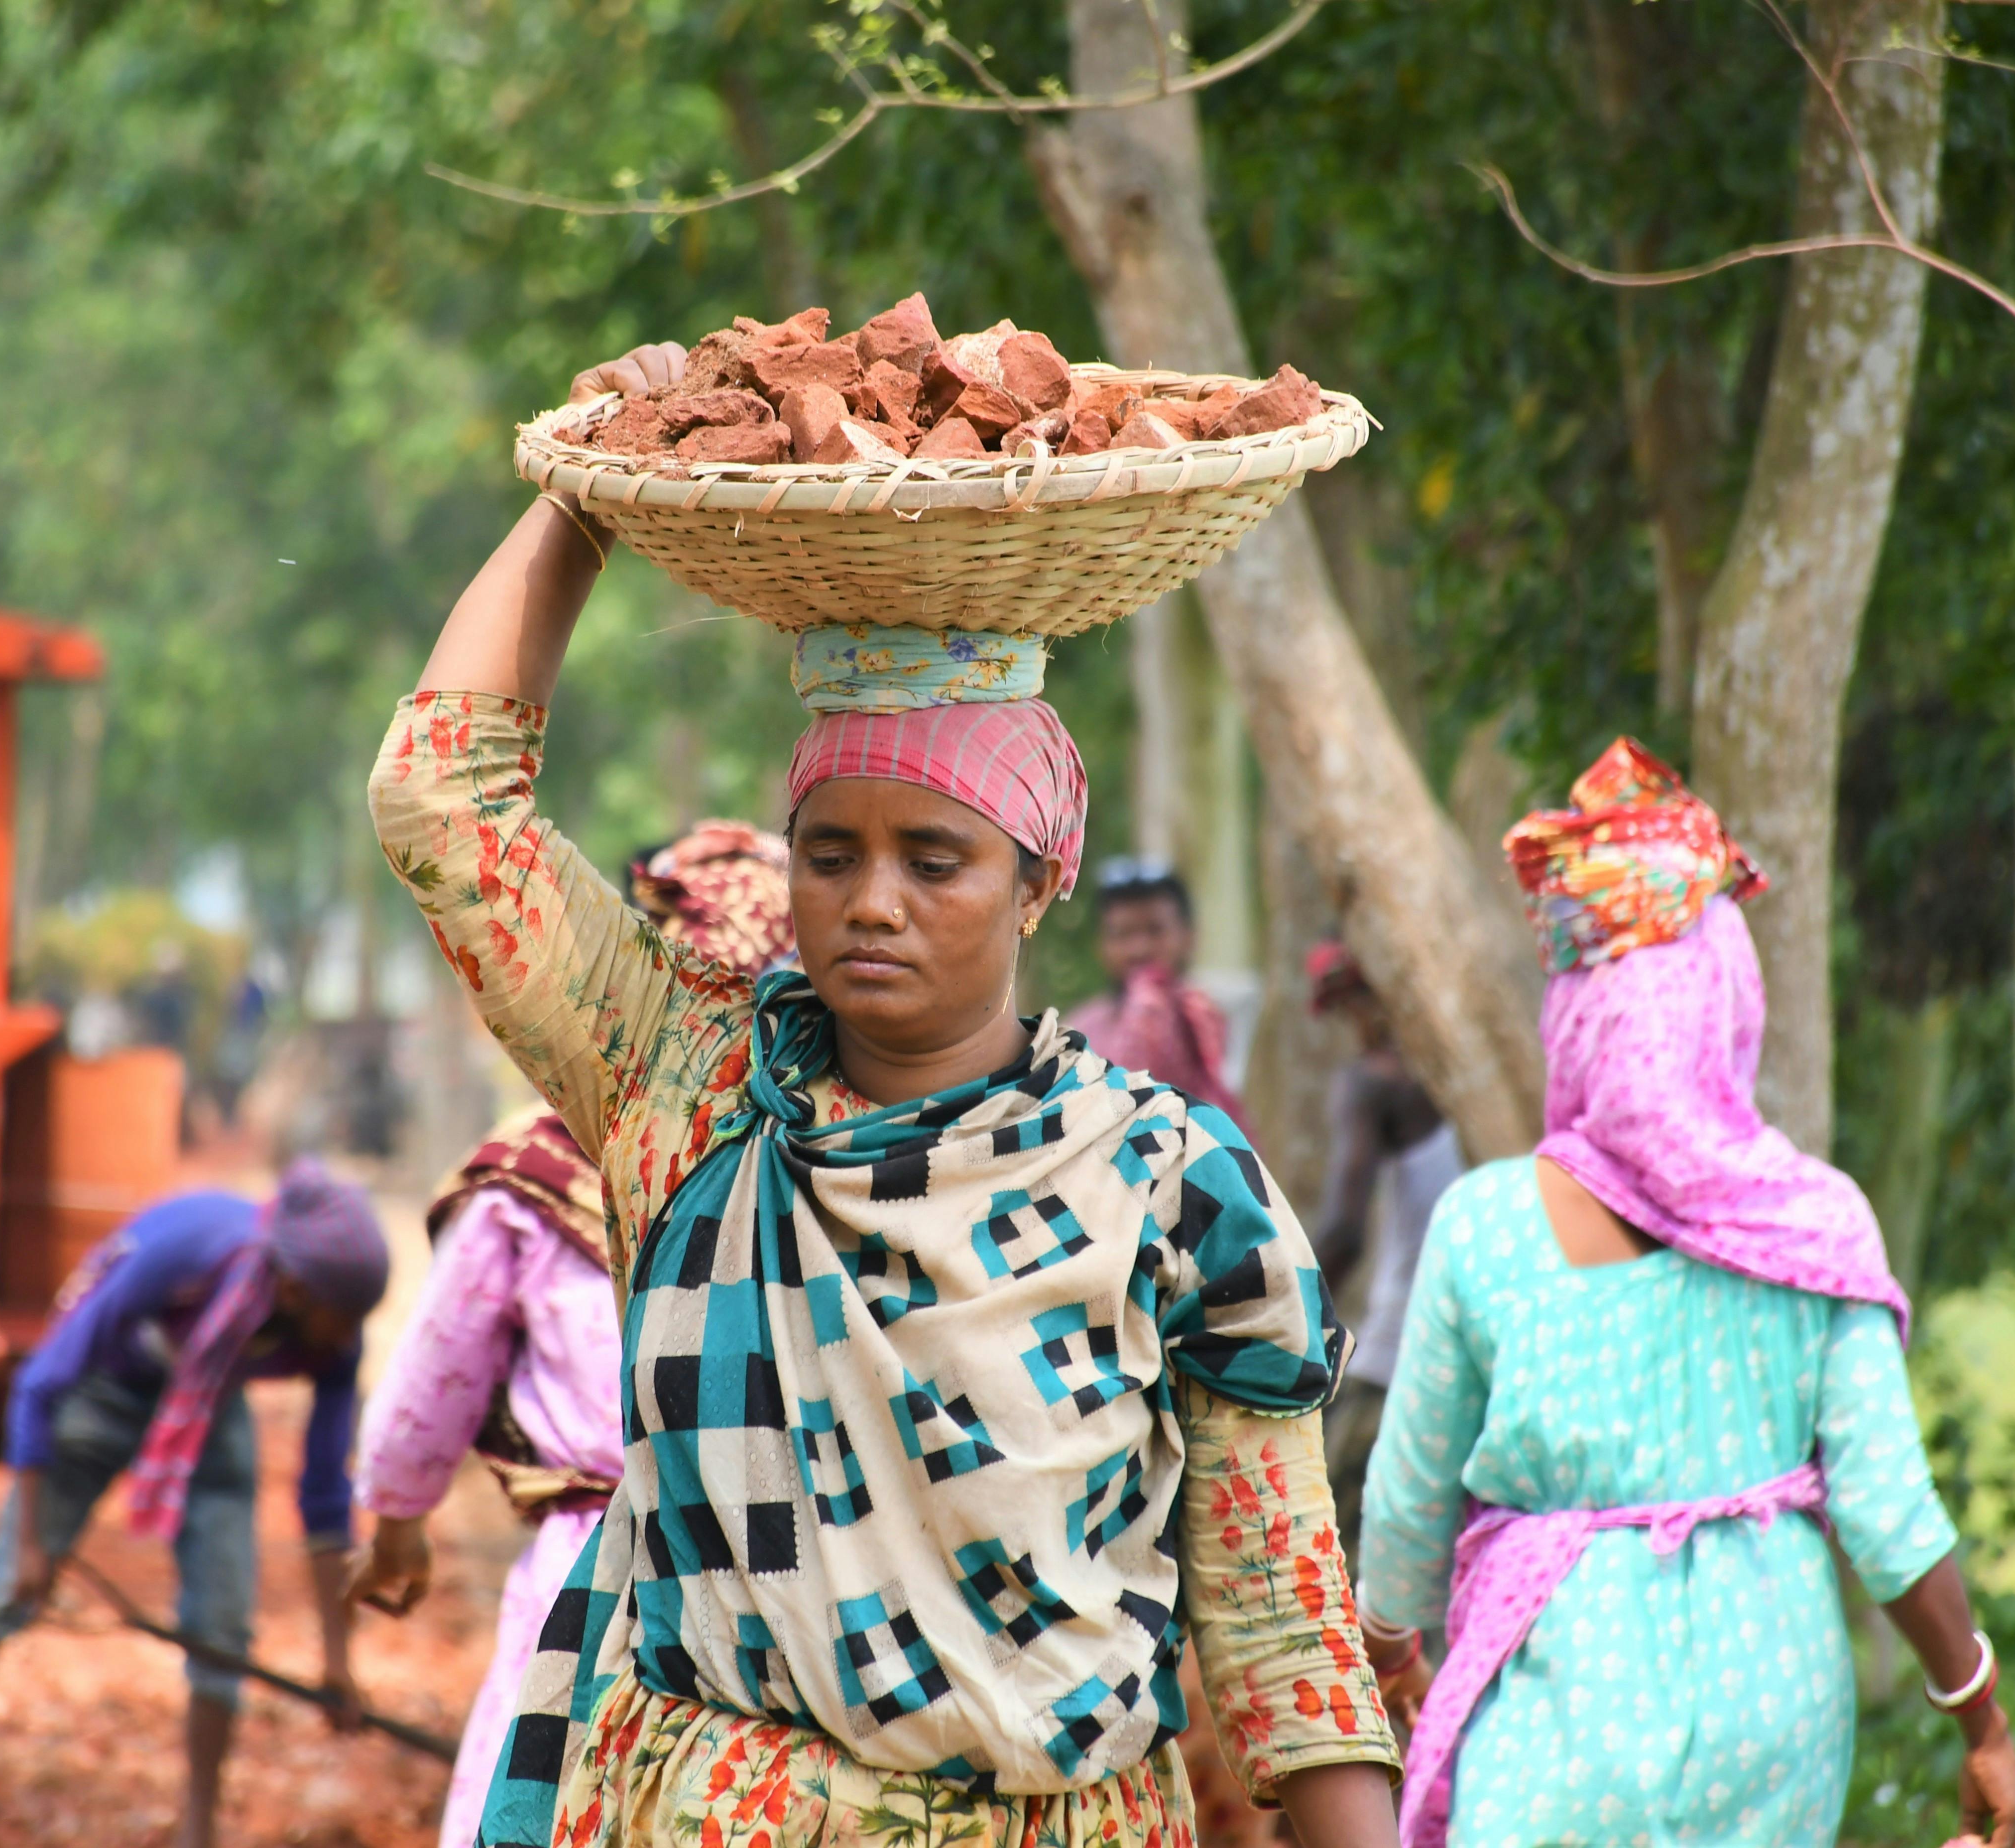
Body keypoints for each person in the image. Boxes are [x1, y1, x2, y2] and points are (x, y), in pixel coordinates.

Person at [368, 339, 1400, 1848]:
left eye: (936, 861)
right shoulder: (692, 1091)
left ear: (1039, 881)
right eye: (828, 853)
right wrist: (585, 492)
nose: (870, 904)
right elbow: (443, 804)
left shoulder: (1168, 1183)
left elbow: (1284, 1631)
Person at [1354, 739, 2015, 1848]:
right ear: (1728, 1003)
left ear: (1575, 1017)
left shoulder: (1485, 1226)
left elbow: (1405, 1504)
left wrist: (1396, 1654)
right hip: (1774, 1728)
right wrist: (1983, 1723)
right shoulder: (1813, 1225)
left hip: (1558, 1725)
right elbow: (1889, 1517)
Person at [345, 820, 796, 1848]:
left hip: (585, 1572)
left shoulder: (537, 1168)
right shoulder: (837, 1161)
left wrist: (398, 1520)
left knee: (539, 1799)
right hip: (789, 1573)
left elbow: (435, 1376)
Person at [0, 1162, 391, 1848]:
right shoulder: (181, 1253)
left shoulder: (335, 1335)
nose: (347, 1339)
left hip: (207, 1405)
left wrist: (339, 1661)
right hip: (101, 1391)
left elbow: (324, 1498)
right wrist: (29, 1548)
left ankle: (198, 1833)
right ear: (291, 1285)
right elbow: (42, 1385)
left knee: (221, 1629)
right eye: (340, 1320)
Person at [1300, 942, 1459, 1565]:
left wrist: (1283, 1321)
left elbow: (1344, 1231)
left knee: (1339, 1559)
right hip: (1479, 1365)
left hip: (1400, 1361)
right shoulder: (1487, 1073)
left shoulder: (1374, 1082)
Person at [1066, 858, 1252, 1127]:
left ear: (1188, 937)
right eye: (1123, 934)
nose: (1139, 950)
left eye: (1155, 930)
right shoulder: (1078, 1033)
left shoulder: (1223, 1014)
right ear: (1101, 945)